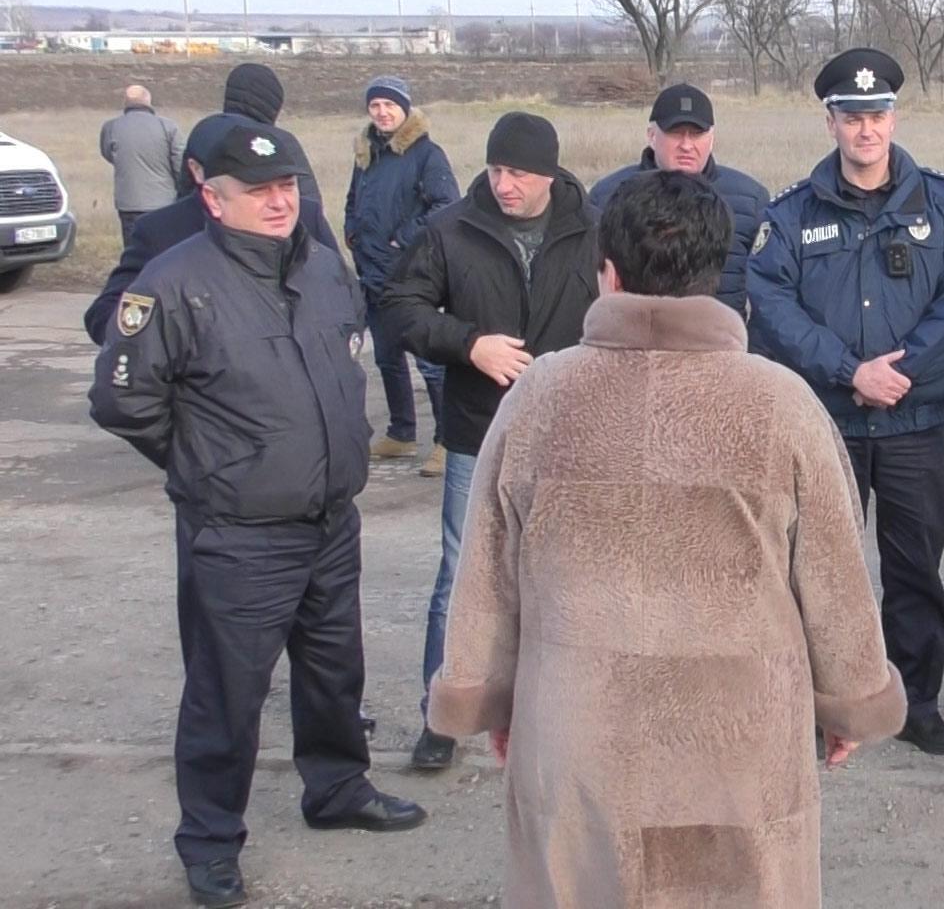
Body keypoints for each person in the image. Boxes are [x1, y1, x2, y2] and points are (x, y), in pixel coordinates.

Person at [428, 171, 905, 908]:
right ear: (717, 275)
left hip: (579, 735)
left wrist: (491, 697)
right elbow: (837, 577)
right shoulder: (780, 402)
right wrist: (849, 699)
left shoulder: (541, 396)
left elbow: (486, 569)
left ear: (607, 272)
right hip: (736, 749)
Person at [88, 121, 426, 909]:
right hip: (239, 534)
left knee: (334, 672)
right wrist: (212, 467)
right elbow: (122, 399)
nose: (279, 203)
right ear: (212, 196)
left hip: (330, 522)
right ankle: (210, 840)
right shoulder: (176, 282)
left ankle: (337, 788)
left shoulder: (321, 269)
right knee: (227, 693)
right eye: (259, 191)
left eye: (287, 188)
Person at [747, 48, 944, 757]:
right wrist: (851, 371)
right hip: (829, 425)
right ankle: (823, 706)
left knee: (915, 568)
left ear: (894, 117)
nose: (866, 130)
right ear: (830, 123)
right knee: (820, 572)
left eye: (877, 115)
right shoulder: (790, 214)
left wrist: (897, 373)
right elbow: (772, 305)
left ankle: (918, 704)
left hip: (913, 423)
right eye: (852, 118)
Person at [382, 112, 600, 771]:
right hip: (479, 432)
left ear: (551, 175)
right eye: (497, 169)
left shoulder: (593, 230)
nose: (505, 185)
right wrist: (467, 343)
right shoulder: (451, 230)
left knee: (571, 581)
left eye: (521, 174)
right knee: (461, 575)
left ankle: (568, 717)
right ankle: (441, 716)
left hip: (572, 436)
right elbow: (401, 308)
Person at [83, 116, 337, 347]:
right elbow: (107, 318)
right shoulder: (162, 231)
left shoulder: (302, 217)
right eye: (254, 187)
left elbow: (344, 298)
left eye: (283, 184)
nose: (276, 201)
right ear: (196, 170)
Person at [343, 74, 458, 476]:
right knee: (388, 358)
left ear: (404, 108)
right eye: (375, 105)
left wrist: (403, 240)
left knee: (429, 361)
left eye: (389, 105)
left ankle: (447, 441)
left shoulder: (427, 155)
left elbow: (446, 203)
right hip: (373, 273)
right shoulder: (366, 154)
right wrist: (351, 233)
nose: (382, 112)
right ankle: (401, 432)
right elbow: (354, 200)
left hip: (413, 274)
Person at [587, 82, 769, 319]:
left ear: (712, 138)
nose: (686, 145)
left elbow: (769, 291)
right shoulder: (608, 196)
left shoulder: (750, 199)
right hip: (633, 340)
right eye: (675, 133)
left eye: (697, 134)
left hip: (721, 344)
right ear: (652, 136)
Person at [177, 63, 323, 202]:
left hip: (204, 225)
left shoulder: (204, 133)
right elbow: (308, 201)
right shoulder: (279, 140)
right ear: (274, 101)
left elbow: (184, 194)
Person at [99, 84, 184, 244]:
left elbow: (108, 154)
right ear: (148, 101)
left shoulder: (111, 127)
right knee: (163, 253)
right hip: (163, 203)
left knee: (133, 253)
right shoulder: (168, 127)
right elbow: (180, 165)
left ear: (126, 103)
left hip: (128, 204)